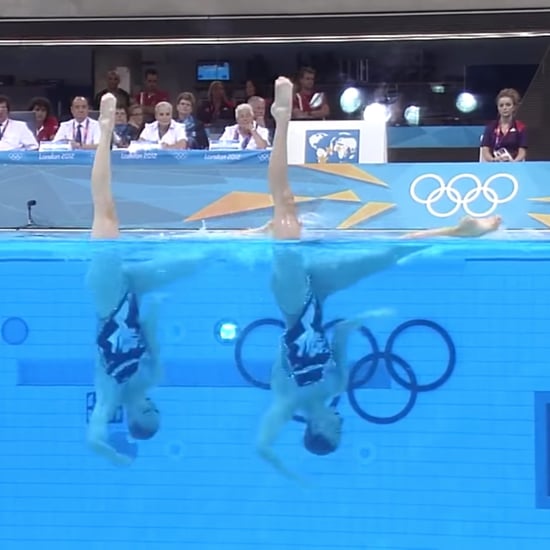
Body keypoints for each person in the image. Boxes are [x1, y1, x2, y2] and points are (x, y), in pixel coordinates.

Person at [256, 77, 502, 480]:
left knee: (286, 214)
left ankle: (281, 119)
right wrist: (363, 321)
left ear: (319, 430)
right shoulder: (337, 385)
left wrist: (289, 472)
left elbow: (263, 443)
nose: (342, 424)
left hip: (291, 303)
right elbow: (341, 333)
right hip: (317, 302)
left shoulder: (286, 401)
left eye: (336, 431)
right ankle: (457, 230)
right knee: (387, 253)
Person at [86, 93, 203, 465]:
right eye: (157, 411)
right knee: (194, 261)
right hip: (131, 299)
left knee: (105, 212)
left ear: (133, 418)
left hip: (107, 299)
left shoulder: (112, 393)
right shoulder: (153, 375)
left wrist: (111, 452)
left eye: (148, 413)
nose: (153, 406)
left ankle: (104, 134)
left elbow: (94, 434)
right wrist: (159, 303)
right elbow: (148, 328)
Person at [481, 88, 527, 162]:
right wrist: (493, 160)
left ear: (514, 107)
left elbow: (522, 151)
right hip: (495, 164)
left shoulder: (520, 127)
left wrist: (514, 162)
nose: (504, 108)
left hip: (514, 164)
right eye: (501, 105)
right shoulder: (491, 126)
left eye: (508, 105)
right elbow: (485, 149)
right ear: (498, 108)